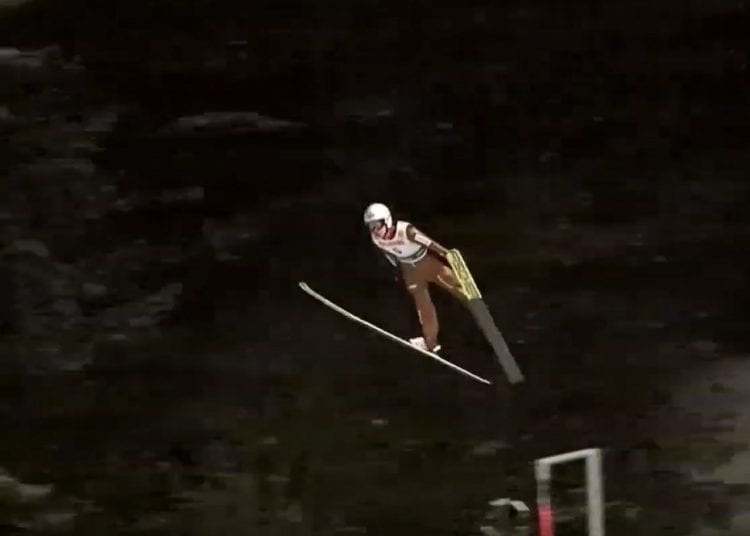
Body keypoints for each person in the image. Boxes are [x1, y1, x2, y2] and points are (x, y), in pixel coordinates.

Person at [363, 202, 466, 353]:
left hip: (425, 262)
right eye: (371, 227)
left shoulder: (406, 231)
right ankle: (430, 342)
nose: (375, 230)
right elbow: (390, 255)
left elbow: (428, 242)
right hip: (409, 270)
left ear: (387, 221)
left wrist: (446, 254)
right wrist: (398, 269)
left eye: (377, 225)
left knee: (451, 281)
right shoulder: (376, 239)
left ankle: (471, 298)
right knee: (423, 307)